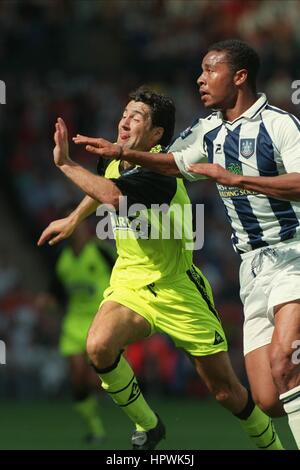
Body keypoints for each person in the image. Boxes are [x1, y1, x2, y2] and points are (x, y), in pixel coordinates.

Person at [74, 41, 300, 449]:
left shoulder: (280, 125)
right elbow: (163, 166)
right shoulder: (206, 131)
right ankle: (152, 425)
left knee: (281, 367)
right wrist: (120, 154)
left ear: (240, 77)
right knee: (268, 399)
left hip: (291, 254)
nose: (200, 77)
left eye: (210, 69)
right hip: (250, 268)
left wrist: (237, 179)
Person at [39, 218, 115, 443]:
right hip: (74, 324)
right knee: (78, 380)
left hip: (101, 321)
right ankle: (95, 429)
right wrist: (47, 302)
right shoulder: (63, 260)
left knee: (95, 381)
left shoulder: (101, 253)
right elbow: (56, 293)